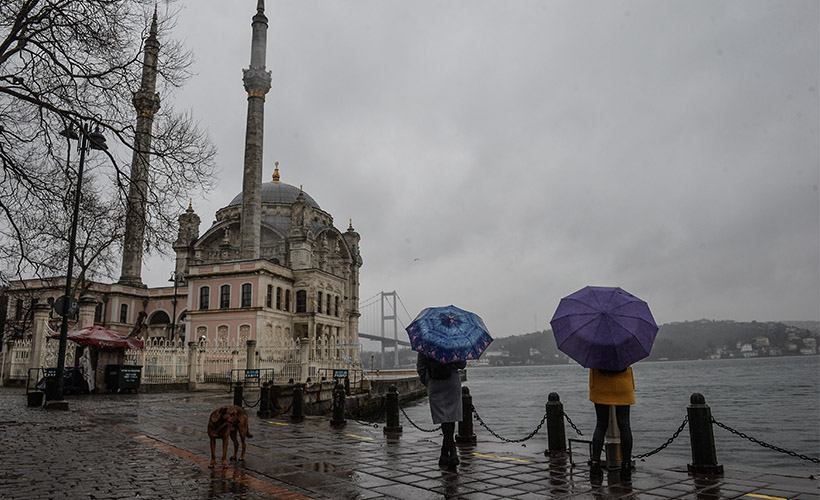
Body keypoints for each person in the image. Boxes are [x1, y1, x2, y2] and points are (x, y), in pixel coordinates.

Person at [416, 352, 467, 469]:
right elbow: (462, 364)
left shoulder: (426, 344)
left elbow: (420, 366)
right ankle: (452, 450)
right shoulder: (454, 343)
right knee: (451, 415)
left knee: (443, 417)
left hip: (434, 382)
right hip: (452, 381)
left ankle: (445, 452)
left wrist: (428, 381)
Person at [589, 365, 635, 481]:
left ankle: (595, 466)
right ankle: (626, 467)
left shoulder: (596, 347)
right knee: (624, 425)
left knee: (600, 425)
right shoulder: (624, 346)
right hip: (622, 384)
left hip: (600, 384)